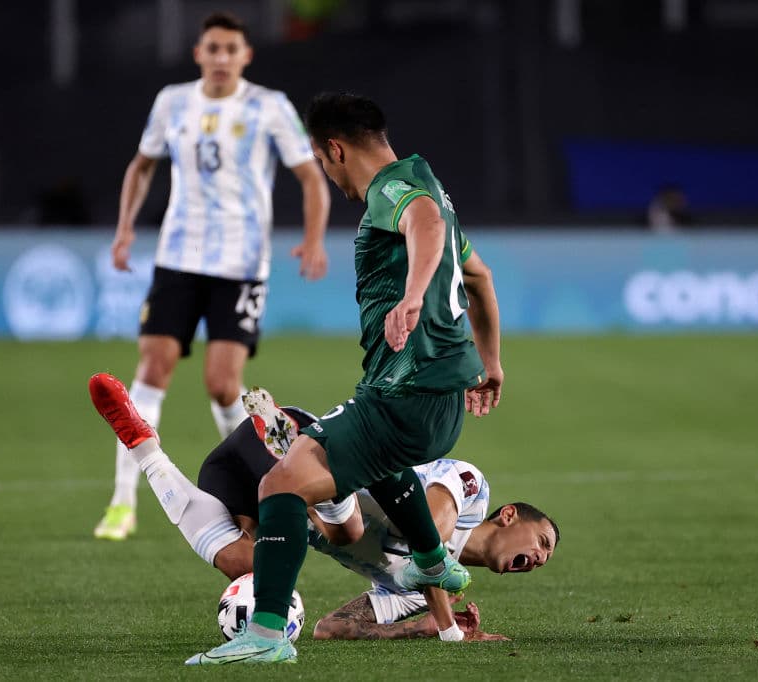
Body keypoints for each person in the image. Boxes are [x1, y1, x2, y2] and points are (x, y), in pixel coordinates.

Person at [186, 91, 505, 664]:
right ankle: (433, 560)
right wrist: (492, 362)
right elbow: (478, 276)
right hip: (439, 403)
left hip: (406, 393)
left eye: (321, 160)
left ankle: (265, 636)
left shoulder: (393, 189)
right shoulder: (431, 183)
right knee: (378, 465)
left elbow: (425, 223)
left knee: (281, 485)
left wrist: (412, 297)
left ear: (335, 150)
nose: (328, 175)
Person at [87, 374, 557, 643]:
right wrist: (450, 630)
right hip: (304, 449)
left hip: (249, 483)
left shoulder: (419, 597)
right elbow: (427, 534)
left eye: (544, 558)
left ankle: (143, 448)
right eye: (542, 542)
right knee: (348, 531)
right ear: (509, 515)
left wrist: (421, 627)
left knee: (247, 566)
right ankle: (315, 487)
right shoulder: (471, 489)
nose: (538, 558)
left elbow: (333, 628)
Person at [94, 11, 331, 542]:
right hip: (178, 257)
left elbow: (310, 176)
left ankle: (255, 484)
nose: (222, 57)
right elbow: (142, 166)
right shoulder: (172, 102)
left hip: (241, 266)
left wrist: (314, 238)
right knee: (151, 369)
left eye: (231, 49)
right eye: (213, 48)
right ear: (198, 54)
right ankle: (122, 501)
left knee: (223, 386)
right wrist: (125, 228)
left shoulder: (269, 106)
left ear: (246, 56)